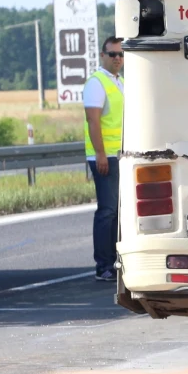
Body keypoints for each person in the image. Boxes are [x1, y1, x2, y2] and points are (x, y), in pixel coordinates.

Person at [84, 37, 125, 282]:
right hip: (105, 156)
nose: (117, 58)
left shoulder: (120, 82)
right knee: (107, 211)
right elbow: (93, 121)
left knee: (119, 212)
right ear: (102, 55)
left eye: (121, 54)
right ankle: (104, 265)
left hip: (120, 155)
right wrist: (100, 154)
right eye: (112, 54)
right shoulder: (96, 83)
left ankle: (115, 260)